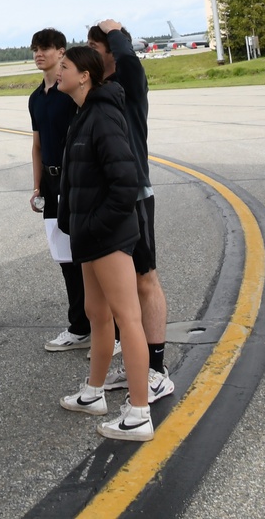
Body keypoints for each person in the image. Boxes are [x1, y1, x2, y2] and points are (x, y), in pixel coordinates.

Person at [55, 45, 154, 442]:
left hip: (107, 237)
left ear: (85, 76)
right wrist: (71, 222)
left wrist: (95, 226)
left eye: (66, 66)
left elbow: (124, 182)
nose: (58, 71)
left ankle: (139, 412)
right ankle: (93, 394)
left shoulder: (104, 115)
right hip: (89, 237)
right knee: (97, 314)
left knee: (127, 319)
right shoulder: (82, 115)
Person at [87, 21, 174, 403]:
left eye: (95, 45)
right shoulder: (100, 91)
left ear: (110, 50)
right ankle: (138, 367)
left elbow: (130, 61)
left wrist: (117, 31)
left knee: (144, 280)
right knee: (118, 288)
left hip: (135, 194)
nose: (89, 51)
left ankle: (157, 371)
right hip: (107, 201)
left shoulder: (131, 85)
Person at [27, 28, 89, 351]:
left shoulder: (72, 92)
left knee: (88, 258)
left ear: (61, 52)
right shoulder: (36, 98)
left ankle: (112, 330)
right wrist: (37, 185)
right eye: (35, 49)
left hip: (75, 180)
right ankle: (79, 327)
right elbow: (37, 145)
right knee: (64, 258)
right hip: (51, 184)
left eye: (45, 48)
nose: (39, 54)